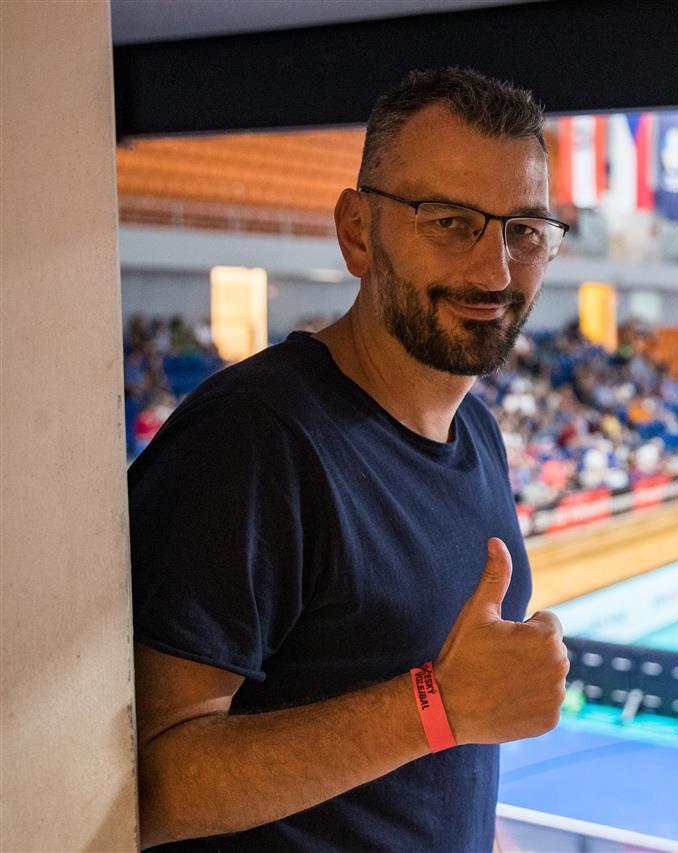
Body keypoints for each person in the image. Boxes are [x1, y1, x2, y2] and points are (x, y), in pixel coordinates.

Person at [128, 68, 573, 850]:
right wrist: (439, 706)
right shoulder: (253, 439)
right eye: (450, 222)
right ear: (358, 232)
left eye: (524, 231)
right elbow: (149, 787)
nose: (495, 271)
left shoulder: (477, 431)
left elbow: (429, 773)